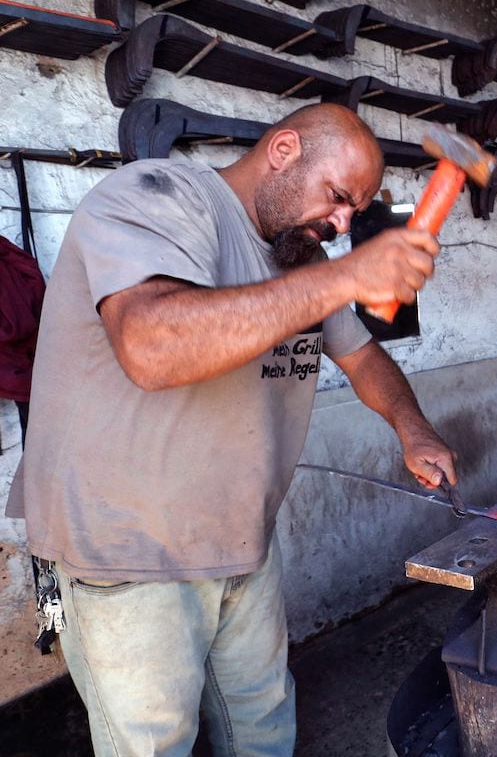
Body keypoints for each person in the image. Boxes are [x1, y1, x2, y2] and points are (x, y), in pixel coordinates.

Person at [6, 103, 457, 756]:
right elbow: (153, 348)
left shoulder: (299, 259)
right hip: (130, 553)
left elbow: (363, 358)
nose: (339, 225)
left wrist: (412, 428)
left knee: (265, 728)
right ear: (282, 151)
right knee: (155, 746)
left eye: (353, 214)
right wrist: (347, 275)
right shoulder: (157, 197)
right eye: (336, 198)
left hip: (242, 541)